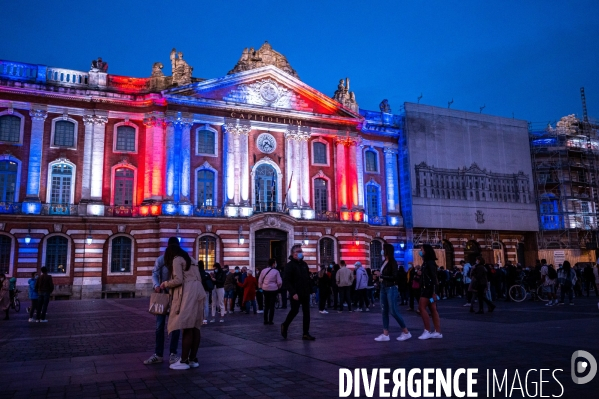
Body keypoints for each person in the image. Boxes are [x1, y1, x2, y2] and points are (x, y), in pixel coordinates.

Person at [160, 238, 207, 370]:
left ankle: (184, 360)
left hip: (188, 292)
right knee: (196, 326)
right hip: (199, 291)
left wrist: (165, 284)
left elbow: (178, 280)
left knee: (187, 325)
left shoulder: (176, 259)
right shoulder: (191, 259)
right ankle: (193, 359)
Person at [144, 237, 182, 365]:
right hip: (163, 296)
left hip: (177, 297)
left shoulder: (180, 260)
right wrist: (156, 285)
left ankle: (173, 353)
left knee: (175, 327)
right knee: (159, 326)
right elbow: (154, 274)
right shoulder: (161, 259)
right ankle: (158, 354)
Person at [374, 243, 412, 342]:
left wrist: (381, 276)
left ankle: (406, 332)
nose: (382, 251)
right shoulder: (384, 262)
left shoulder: (393, 262)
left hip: (390, 288)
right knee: (384, 311)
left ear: (387, 251)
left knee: (393, 311)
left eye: (383, 249)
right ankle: (385, 333)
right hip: (383, 288)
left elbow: (394, 277)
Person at [281, 244, 315, 341]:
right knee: (294, 311)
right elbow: (286, 281)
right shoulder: (289, 265)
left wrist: (311, 290)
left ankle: (305, 333)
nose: (301, 253)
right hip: (296, 293)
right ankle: (285, 325)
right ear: (293, 254)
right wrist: (293, 293)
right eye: (299, 252)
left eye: (301, 251)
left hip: (305, 292)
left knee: (307, 313)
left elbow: (308, 278)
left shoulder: (304, 264)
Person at [417, 244, 442, 339]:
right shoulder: (427, 262)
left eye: (422, 250)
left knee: (421, 307)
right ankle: (437, 331)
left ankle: (427, 330)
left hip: (428, 289)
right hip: (430, 289)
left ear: (426, 251)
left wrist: (434, 292)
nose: (420, 251)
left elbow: (434, 277)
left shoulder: (429, 263)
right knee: (432, 308)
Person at [259, 258, 282, 325]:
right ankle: (270, 320)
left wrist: (261, 287)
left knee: (266, 305)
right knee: (272, 306)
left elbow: (260, 281)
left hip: (265, 289)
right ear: (273, 264)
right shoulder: (276, 272)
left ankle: (265, 320)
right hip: (273, 290)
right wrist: (278, 287)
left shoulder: (263, 271)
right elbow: (279, 282)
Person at [199, 260, 213, 325]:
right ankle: (205, 319)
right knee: (206, 305)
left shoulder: (197, 274)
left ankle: (200, 318)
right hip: (206, 291)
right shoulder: (206, 274)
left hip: (198, 291)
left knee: (199, 305)